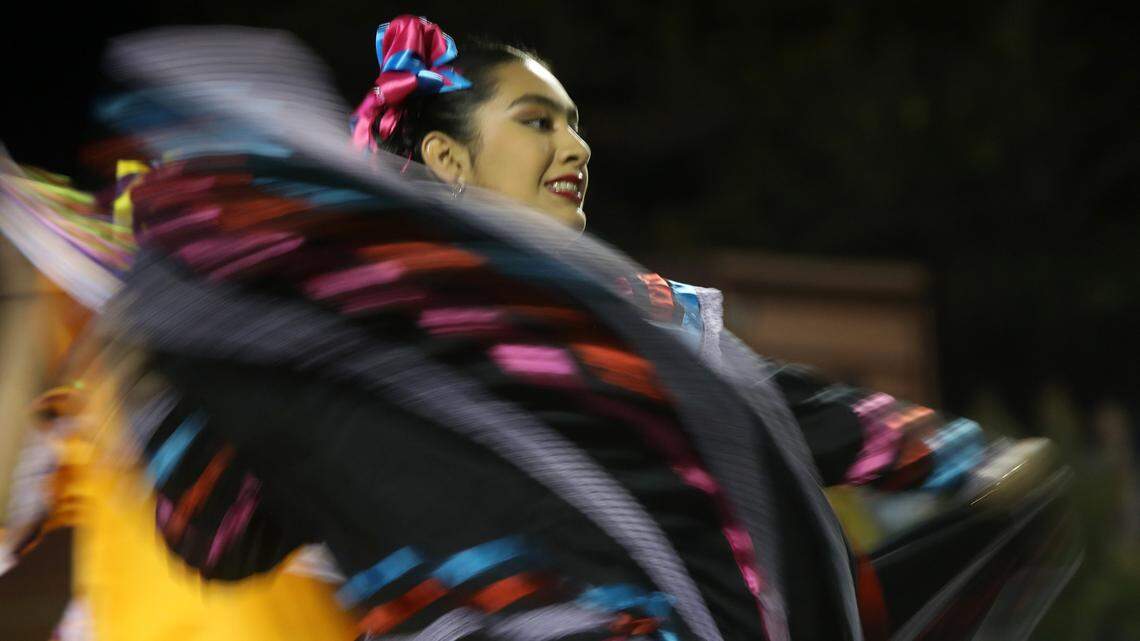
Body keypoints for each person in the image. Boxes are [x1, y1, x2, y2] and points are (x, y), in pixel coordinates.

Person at [0, 15, 1077, 641]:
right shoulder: (272, 327)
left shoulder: (628, 310)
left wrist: (955, 457)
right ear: (444, 166)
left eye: (571, 119)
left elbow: (788, 405)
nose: (575, 146)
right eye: (536, 118)